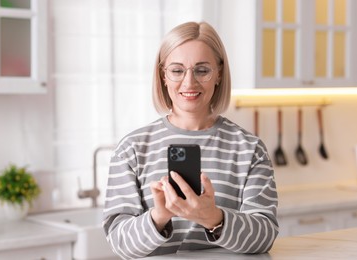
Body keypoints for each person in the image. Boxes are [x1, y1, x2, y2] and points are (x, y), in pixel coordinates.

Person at [103, 21, 279, 259]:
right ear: (163, 75)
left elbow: (265, 235)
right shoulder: (131, 150)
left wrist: (213, 218)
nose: (189, 83)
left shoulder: (249, 149)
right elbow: (119, 243)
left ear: (219, 74)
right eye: (177, 70)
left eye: (202, 70)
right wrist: (159, 217)